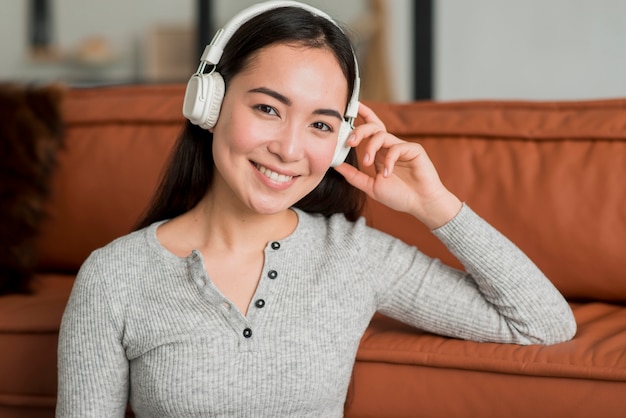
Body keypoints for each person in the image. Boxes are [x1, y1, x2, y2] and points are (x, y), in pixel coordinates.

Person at [56, 1, 576, 417]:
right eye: (267, 108)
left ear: (342, 144)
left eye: (321, 125)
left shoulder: (354, 255)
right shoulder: (115, 275)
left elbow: (542, 324)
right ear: (208, 105)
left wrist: (435, 206)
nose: (289, 148)